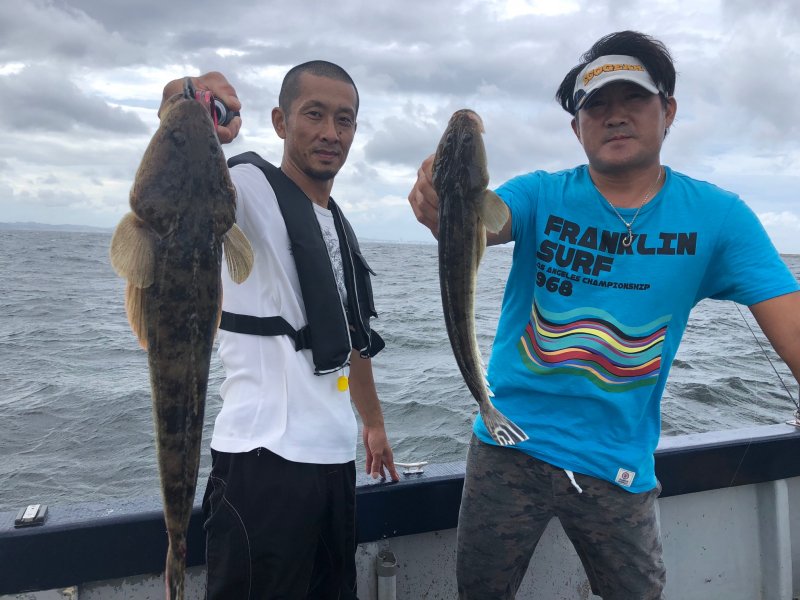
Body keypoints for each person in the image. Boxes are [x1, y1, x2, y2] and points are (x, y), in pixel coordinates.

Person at [408, 30, 800, 599]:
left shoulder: (720, 217)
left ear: (668, 111)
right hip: (506, 445)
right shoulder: (539, 194)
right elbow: (485, 223)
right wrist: (441, 205)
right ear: (577, 127)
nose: (615, 115)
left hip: (617, 462)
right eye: (596, 105)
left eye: (633, 98)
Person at [159, 61, 400, 599]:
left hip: (335, 463)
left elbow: (350, 339)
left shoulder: (337, 223)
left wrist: (374, 424)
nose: (330, 132)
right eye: (314, 114)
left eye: (344, 120)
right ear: (280, 121)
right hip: (262, 466)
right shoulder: (246, 188)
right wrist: (187, 99)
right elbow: (177, 179)